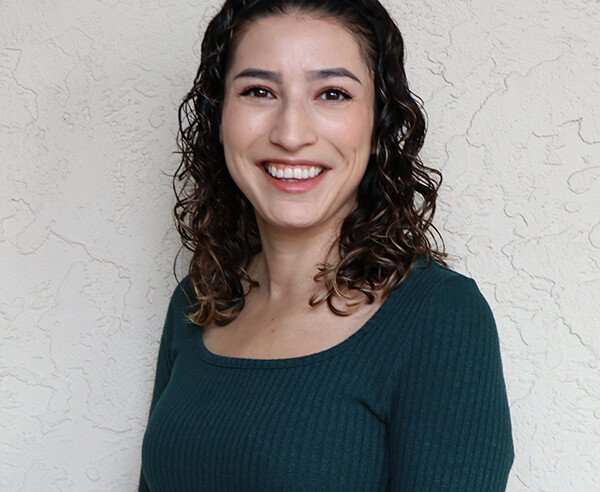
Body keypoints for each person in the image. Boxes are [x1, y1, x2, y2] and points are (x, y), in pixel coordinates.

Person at [138, 0, 514, 490]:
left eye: (332, 93)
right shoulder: (198, 300)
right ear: (219, 116)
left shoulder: (438, 317)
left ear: (378, 119)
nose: (291, 134)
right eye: (258, 91)